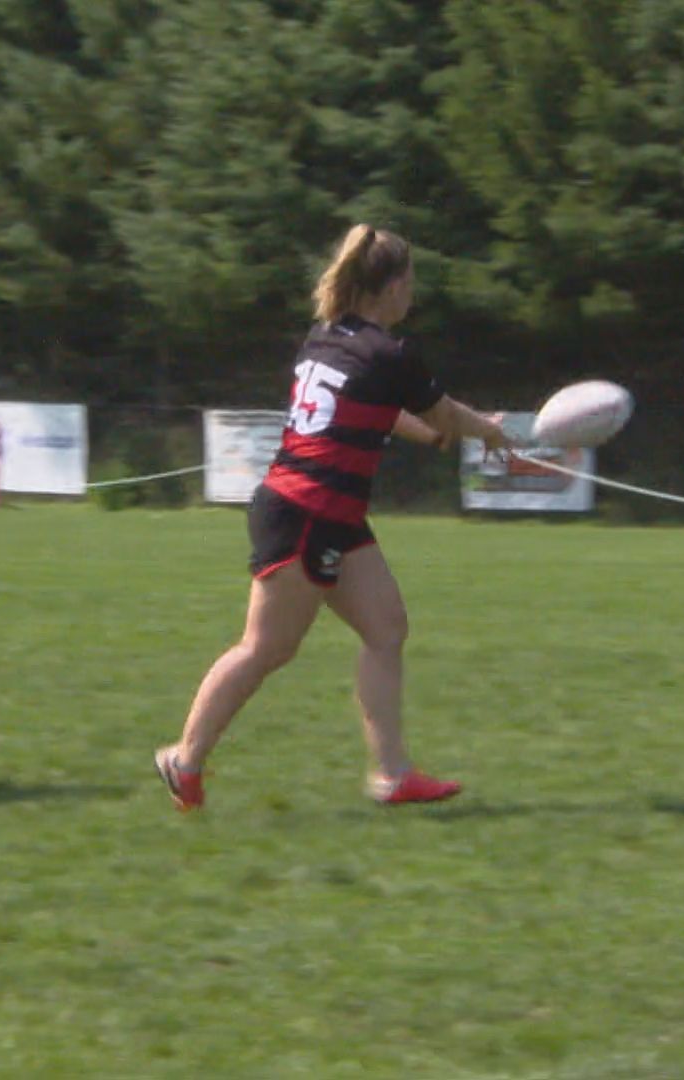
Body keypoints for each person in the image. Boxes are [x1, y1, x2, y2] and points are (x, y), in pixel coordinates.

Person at [154, 225, 510, 810]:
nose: (412, 294)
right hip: (306, 511)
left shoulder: (327, 337)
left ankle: (391, 775)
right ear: (392, 285)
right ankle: (184, 759)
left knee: (386, 627)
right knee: (267, 647)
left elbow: (385, 412)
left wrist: (441, 436)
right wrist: (486, 430)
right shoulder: (391, 352)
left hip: (328, 512)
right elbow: (444, 412)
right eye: (410, 282)